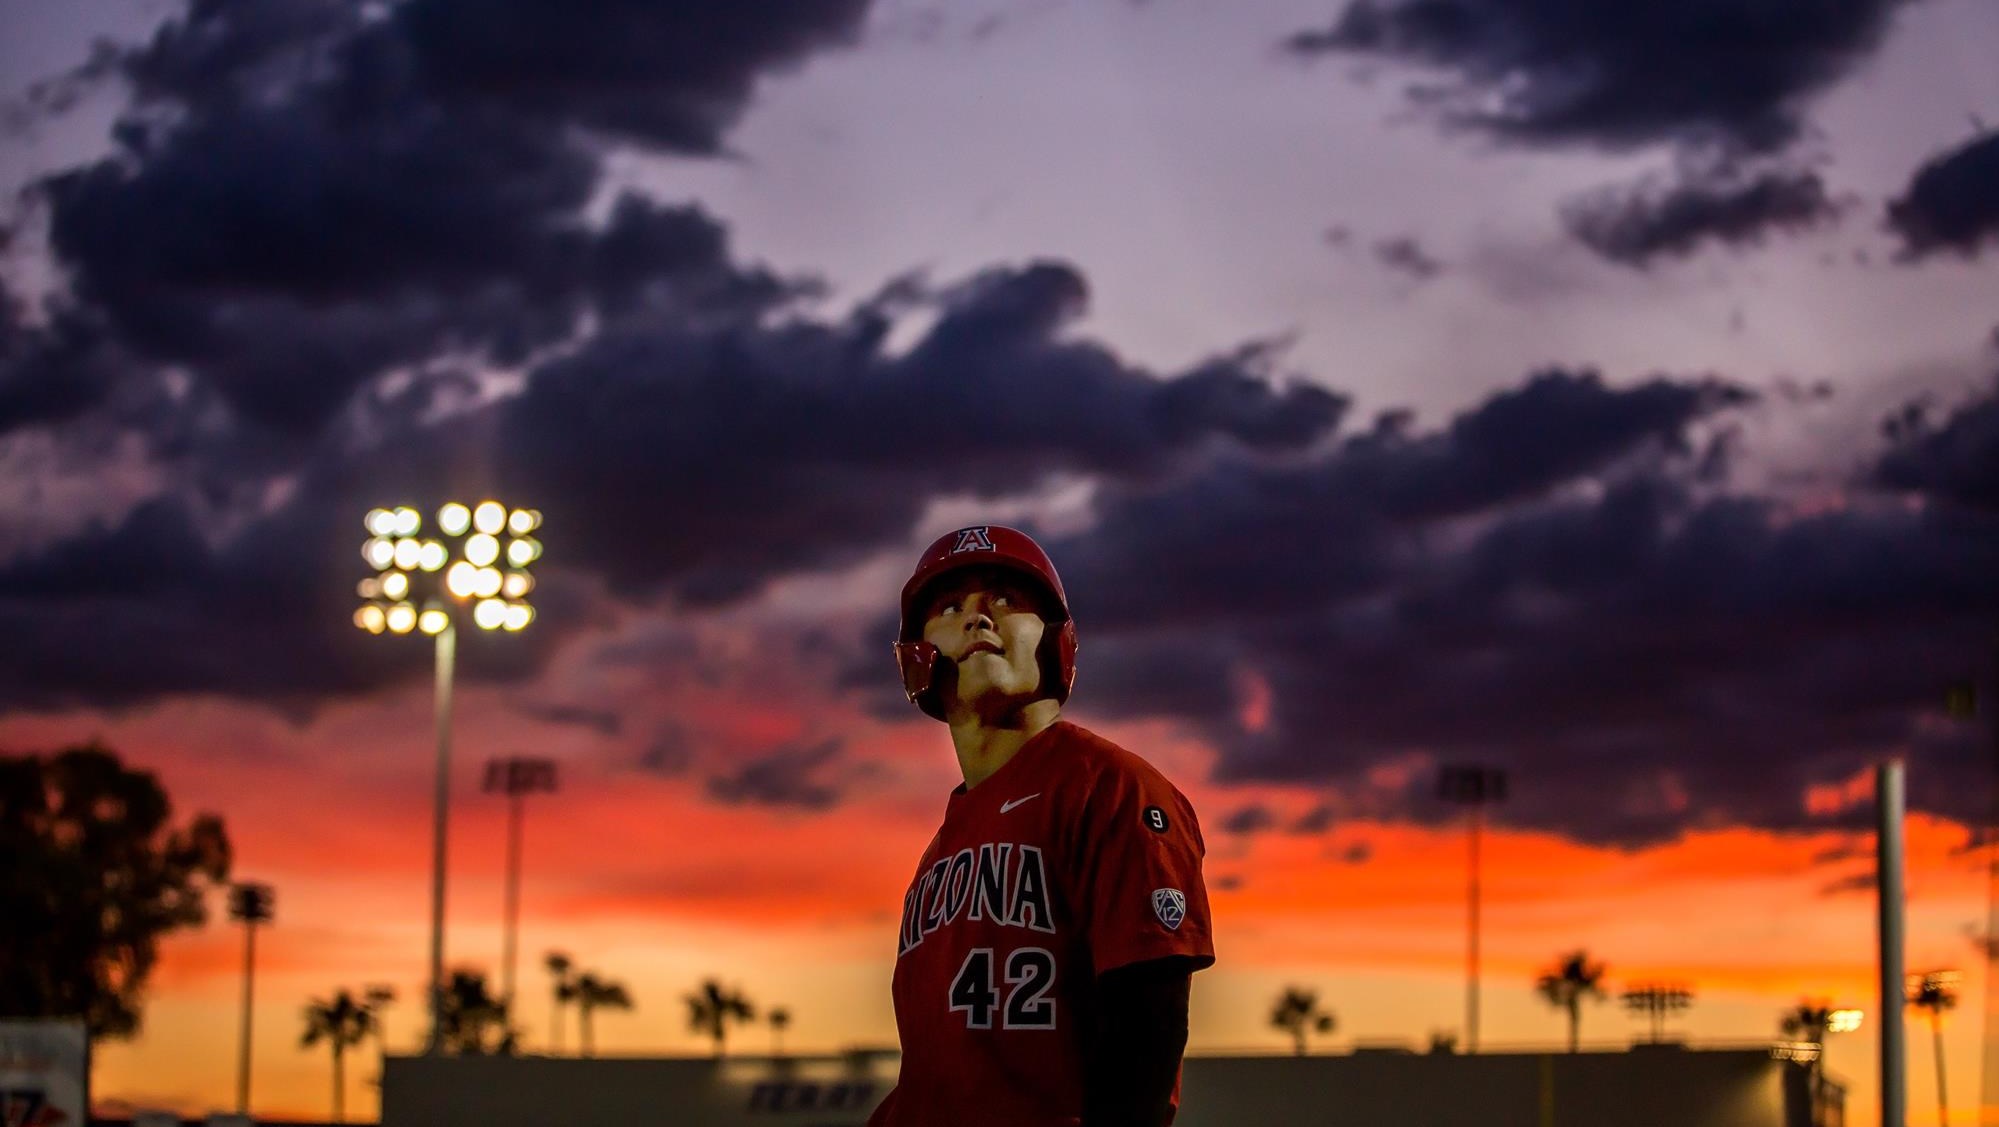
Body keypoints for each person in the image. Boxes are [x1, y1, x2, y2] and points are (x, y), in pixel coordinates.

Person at [867, 525, 1215, 1127]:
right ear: (916, 660)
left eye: (1005, 601)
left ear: (1058, 643)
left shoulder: (1110, 787)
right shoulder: (941, 850)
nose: (979, 620)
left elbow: (1148, 1029)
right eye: (951, 609)